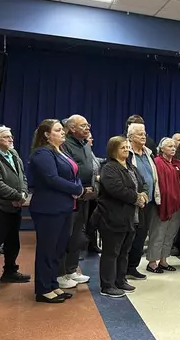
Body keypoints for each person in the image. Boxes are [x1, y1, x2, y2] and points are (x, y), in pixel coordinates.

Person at [28, 119, 84, 303]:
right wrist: (76, 190)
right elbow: (52, 178)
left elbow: (74, 173)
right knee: (47, 249)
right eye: (58, 130)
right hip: (48, 208)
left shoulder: (61, 151)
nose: (63, 133)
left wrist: (78, 186)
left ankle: (52, 284)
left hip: (65, 207)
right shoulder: (42, 153)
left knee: (58, 249)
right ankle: (43, 289)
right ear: (46, 134)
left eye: (62, 130)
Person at [93, 136, 147, 298]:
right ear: (113, 150)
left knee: (124, 251)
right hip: (113, 216)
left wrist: (143, 194)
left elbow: (142, 183)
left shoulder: (130, 166)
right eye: (122, 147)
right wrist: (136, 198)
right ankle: (107, 285)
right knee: (112, 251)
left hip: (130, 217)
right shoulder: (109, 168)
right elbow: (116, 189)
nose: (126, 149)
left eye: (127, 147)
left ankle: (120, 279)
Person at [0, 126, 31, 293]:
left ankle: (10, 271)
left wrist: (23, 193)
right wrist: (17, 196)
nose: (11, 139)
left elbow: (22, 176)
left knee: (13, 243)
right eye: (6, 137)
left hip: (14, 206)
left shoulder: (13, 154)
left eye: (11, 136)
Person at [59, 115, 94, 288]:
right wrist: (80, 190)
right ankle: (61, 273)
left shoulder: (85, 144)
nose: (88, 127)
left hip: (86, 196)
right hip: (72, 196)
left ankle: (72, 269)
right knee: (67, 236)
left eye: (88, 124)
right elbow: (68, 170)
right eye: (83, 125)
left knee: (78, 235)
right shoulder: (65, 144)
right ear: (72, 128)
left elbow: (91, 168)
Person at [146, 138, 180, 274]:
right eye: (169, 146)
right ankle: (152, 262)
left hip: (177, 205)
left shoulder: (178, 164)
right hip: (162, 205)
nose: (173, 148)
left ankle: (164, 260)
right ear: (162, 149)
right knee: (158, 233)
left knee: (170, 234)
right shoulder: (157, 162)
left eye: (174, 146)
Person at [126, 123, 160, 280]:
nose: (144, 136)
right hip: (133, 201)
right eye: (140, 134)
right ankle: (124, 268)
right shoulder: (127, 153)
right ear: (131, 137)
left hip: (149, 201)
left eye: (144, 133)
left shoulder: (149, 153)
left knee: (141, 236)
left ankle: (132, 267)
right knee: (131, 235)